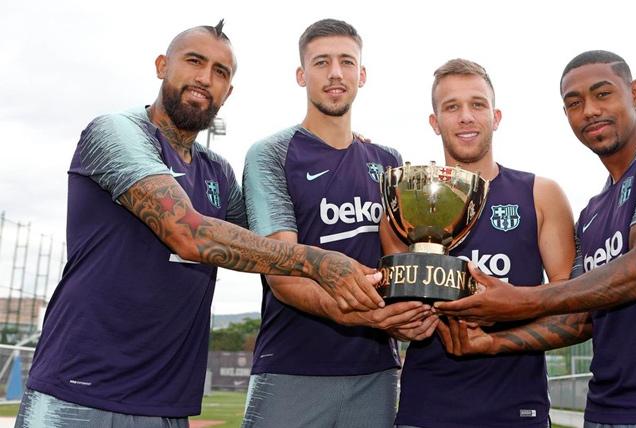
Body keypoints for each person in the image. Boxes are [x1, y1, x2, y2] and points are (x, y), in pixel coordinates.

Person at [15, 21, 384, 428]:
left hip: (166, 403)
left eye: (221, 72)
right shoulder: (116, 132)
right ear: (162, 66)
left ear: (229, 91)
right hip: (77, 392)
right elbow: (188, 235)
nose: (205, 79)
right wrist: (318, 262)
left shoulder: (220, 175)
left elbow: (267, 241)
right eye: (194, 61)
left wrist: (337, 153)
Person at [436, 50, 636, 426]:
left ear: (634, 93)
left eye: (603, 94)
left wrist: (520, 299)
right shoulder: (591, 214)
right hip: (605, 411)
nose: (589, 111)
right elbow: (579, 319)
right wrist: (493, 343)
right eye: (574, 103)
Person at [240, 19, 431, 428]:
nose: (335, 73)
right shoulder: (271, 154)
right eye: (321, 62)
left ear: (362, 74)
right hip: (292, 368)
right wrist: (364, 317)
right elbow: (281, 271)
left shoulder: (390, 161)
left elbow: (400, 262)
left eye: (347, 62)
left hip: (376, 371)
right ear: (301, 74)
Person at [392, 59, 575, 428]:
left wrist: (507, 313)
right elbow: (397, 313)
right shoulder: (403, 205)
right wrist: (405, 322)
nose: (465, 117)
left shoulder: (541, 195)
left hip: (517, 410)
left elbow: (571, 309)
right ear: (434, 121)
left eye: (477, 104)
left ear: (496, 116)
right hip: (427, 409)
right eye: (451, 106)